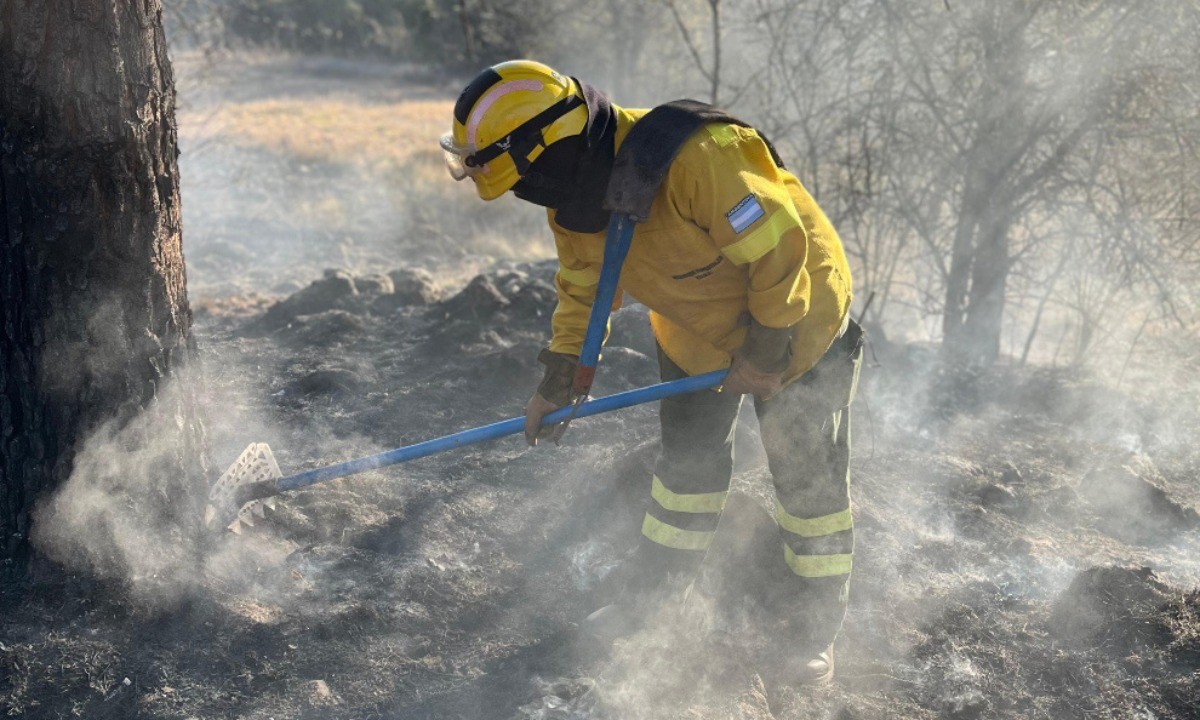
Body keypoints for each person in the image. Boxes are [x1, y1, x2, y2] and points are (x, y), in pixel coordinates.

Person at [440, 60, 862, 685]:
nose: (526, 195)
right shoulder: (575, 199)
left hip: (797, 317)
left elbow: (779, 253)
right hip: (697, 332)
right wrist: (560, 379)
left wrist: (768, 351)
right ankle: (654, 604)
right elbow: (584, 288)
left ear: (548, 154)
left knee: (808, 485)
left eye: (521, 180)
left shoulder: (701, 158)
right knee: (684, 475)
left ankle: (808, 632)